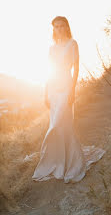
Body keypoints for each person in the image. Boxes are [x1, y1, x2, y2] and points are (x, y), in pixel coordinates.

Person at [32, 16, 105, 183]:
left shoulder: (73, 44)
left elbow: (76, 68)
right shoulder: (51, 48)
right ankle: (58, 162)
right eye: (56, 27)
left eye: (62, 26)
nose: (59, 29)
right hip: (52, 89)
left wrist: (72, 91)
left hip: (65, 87)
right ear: (53, 29)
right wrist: (45, 93)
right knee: (59, 126)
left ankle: (72, 163)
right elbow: (48, 72)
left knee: (58, 125)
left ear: (67, 27)